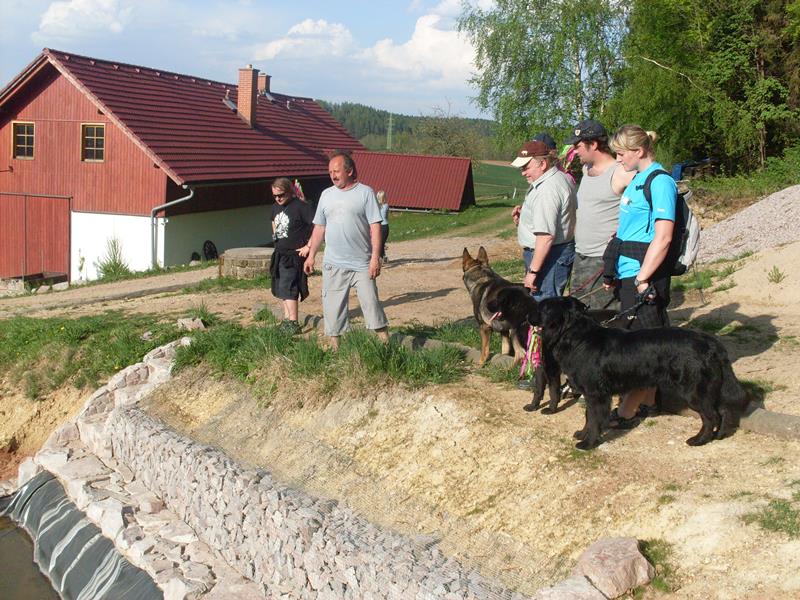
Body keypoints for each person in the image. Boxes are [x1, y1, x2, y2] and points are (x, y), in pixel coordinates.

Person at [603, 124, 678, 428]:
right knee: (647, 341)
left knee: (642, 346)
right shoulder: (637, 179)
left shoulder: (660, 182)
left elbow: (664, 236)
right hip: (628, 272)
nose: (618, 159)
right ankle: (649, 401)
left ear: (640, 150)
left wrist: (643, 278)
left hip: (643, 275)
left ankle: (627, 410)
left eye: (621, 153)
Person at [303, 150, 389, 350]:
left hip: (362, 263)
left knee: (371, 305)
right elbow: (319, 227)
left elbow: (375, 226)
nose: (332, 175)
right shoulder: (326, 195)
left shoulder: (365, 193)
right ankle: (337, 351)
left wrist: (375, 258)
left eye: (336, 171)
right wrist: (311, 255)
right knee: (333, 310)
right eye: (330, 172)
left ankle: (386, 347)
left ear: (349, 171)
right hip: (334, 264)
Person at [565, 119, 635, 309]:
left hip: (603, 259)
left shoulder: (621, 173)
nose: (574, 151)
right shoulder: (585, 169)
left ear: (594, 144)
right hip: (581, 255)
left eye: (578, 146)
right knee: (578, 314)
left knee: (602, 315)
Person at [510, 140, 576, 300]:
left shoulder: (547, 190)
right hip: (552, 254)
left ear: (543, 164)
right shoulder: (559, 178)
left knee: (544, 305)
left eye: (526, 167)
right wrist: (525, 218)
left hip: (549, 257)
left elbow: (545, 237)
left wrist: (533, 272)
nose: (523, 173)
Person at [269, 177, 315, 333]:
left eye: (281, 195)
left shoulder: (301, 207)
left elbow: (317, 226)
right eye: (275, 196)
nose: (278, 198)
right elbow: (273, 220)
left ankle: (293, 323)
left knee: (289, 287)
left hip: (294, 256)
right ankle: (287, 319)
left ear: (289, 192)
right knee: (281, 287)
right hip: (280, 253)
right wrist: (275, 237)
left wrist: (308, 246)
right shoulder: (275, 207)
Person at [377, 190, 390, 264]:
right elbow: (386, 217)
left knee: (380, 243)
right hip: (385, 226)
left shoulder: (376, 206)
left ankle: (381, 258)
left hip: (379, 226)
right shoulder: (386, 206)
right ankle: (383, 257)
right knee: (381, 243)